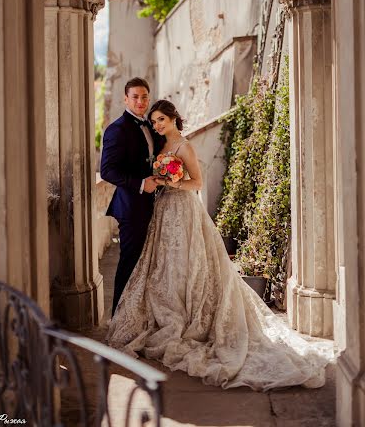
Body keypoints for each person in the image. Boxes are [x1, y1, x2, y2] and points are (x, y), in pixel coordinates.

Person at [107, 99, 334, 391]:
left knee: (190, 266)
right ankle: (168, 312)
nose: (157, 125)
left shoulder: (184, 146)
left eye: (161, 120)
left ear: (174, 118)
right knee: (165, 268)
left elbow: (198, 182)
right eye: (154, 122)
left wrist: (172, 182)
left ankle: (191, 318)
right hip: (163, 211)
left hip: (184, 210)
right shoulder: (160, 146)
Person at [100, 78, 164, 316]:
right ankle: (118, 318)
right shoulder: (116, 129)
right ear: (125, 99)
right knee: (130, 263)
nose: (140, 101)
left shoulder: (150, 125)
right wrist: (140, 184)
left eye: (144, 97)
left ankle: (142, 315)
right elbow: (107, 170)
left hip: (155, 205)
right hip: (131, 207)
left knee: (150, 264)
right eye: (135, 97)